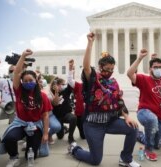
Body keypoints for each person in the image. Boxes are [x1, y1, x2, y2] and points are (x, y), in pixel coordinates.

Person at [68, 32, 140, 167]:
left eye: (112, 69)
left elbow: (119, 101)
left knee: (133, 128)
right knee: (96, 160)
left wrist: (127, 116)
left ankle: (125, 159)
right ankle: (75, 149)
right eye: (107, 69)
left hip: (111, 121)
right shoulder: (94, 79)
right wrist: (90, 43)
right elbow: (86, 67)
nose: (110, 71)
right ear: (100, 67)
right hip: (93, 124)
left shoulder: (114, 82)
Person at [0, 49, 51, 167]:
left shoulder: (43, 96)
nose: (28, 83)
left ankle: (29, 149)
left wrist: (46, 133)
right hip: (20, 123)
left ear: (36, 80)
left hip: (35, 125)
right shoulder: (19, 90)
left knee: (31, 155)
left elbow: (45, 116)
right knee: (9, 137)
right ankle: (14, 157)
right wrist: (23, 56)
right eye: (25, 81)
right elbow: (16, 73)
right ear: (22, 82)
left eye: (30, 80)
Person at [127, 51, 161, 161]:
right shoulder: (144, 79)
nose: (158, 69)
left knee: (157, 144)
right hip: (145, 112)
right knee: (152, 120)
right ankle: (147, 150)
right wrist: (139, 58)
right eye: (155, 67)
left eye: (160, 67)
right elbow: (129, 74)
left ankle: (139, 135)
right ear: (150, 69)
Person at [0, 59, 16, 150]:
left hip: (16, 109)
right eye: (10, 71)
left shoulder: (22, 82)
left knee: (16, 131)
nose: (12, 72)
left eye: (15, 70)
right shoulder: (5, 81)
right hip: (4, 106)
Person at [49, 73, 77, 144]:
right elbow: (55, 103)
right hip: (57, 117)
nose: (64, 85)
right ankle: (64, 129)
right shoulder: (51, 93)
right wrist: (56, 92)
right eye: (62, 84)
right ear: (56, 85)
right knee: (60, 136)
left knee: (73, 118)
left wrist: (71, 71)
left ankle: (70, 137)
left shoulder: (66, 91)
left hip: (66, 114)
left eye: (64, 84)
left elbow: (71, 84)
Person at [68, 59, 85, 139]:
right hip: (79, 115)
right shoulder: (79, 86)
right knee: (83, 135)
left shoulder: (94, 87)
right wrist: (70, 69)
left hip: (90, 116)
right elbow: (70, 81)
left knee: (85, 136)